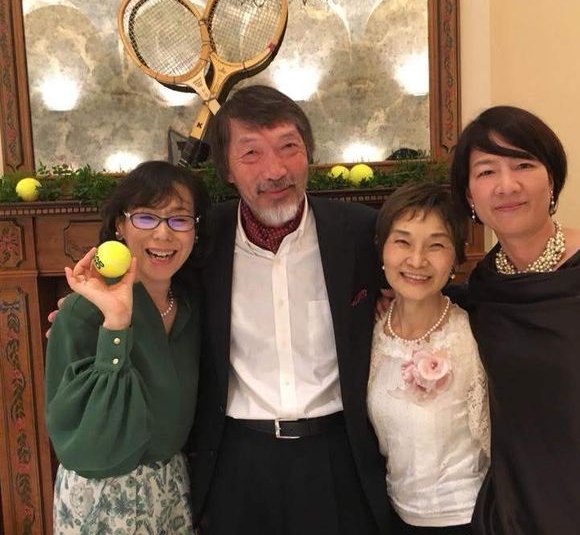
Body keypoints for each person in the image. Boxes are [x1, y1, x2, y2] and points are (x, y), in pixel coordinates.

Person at [189, 85, 391, 534]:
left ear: (309, 154)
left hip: (338, 456)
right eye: (251, 153)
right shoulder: (203, 242)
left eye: (288, 147)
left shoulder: (360, 232)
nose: (275, 170)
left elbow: (424, 283)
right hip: (238, 462)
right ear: (226, 169)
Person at [45, 161, 210, 534]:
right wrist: (116, 325)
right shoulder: (82, 311)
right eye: (146, 217)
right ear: (120, 225)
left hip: (172, 487)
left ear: (196, 231)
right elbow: (83, 438)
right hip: (102, 494)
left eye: (180, 219)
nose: (163, 234)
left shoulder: (193, 306)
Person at [450, 105, 580, 535]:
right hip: (515, 508)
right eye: (487, 171)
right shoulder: (482, 289)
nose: (507, 185)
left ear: (552, 178)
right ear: (470, 196)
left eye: (523, 164)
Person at [368, 182, 489, 534]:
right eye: (402, 242)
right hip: (394, 517)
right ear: (382, 249)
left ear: (456, 257)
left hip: (468, 519)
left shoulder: (473, 335)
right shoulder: (371, 333)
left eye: (436, 245)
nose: (417, 260)